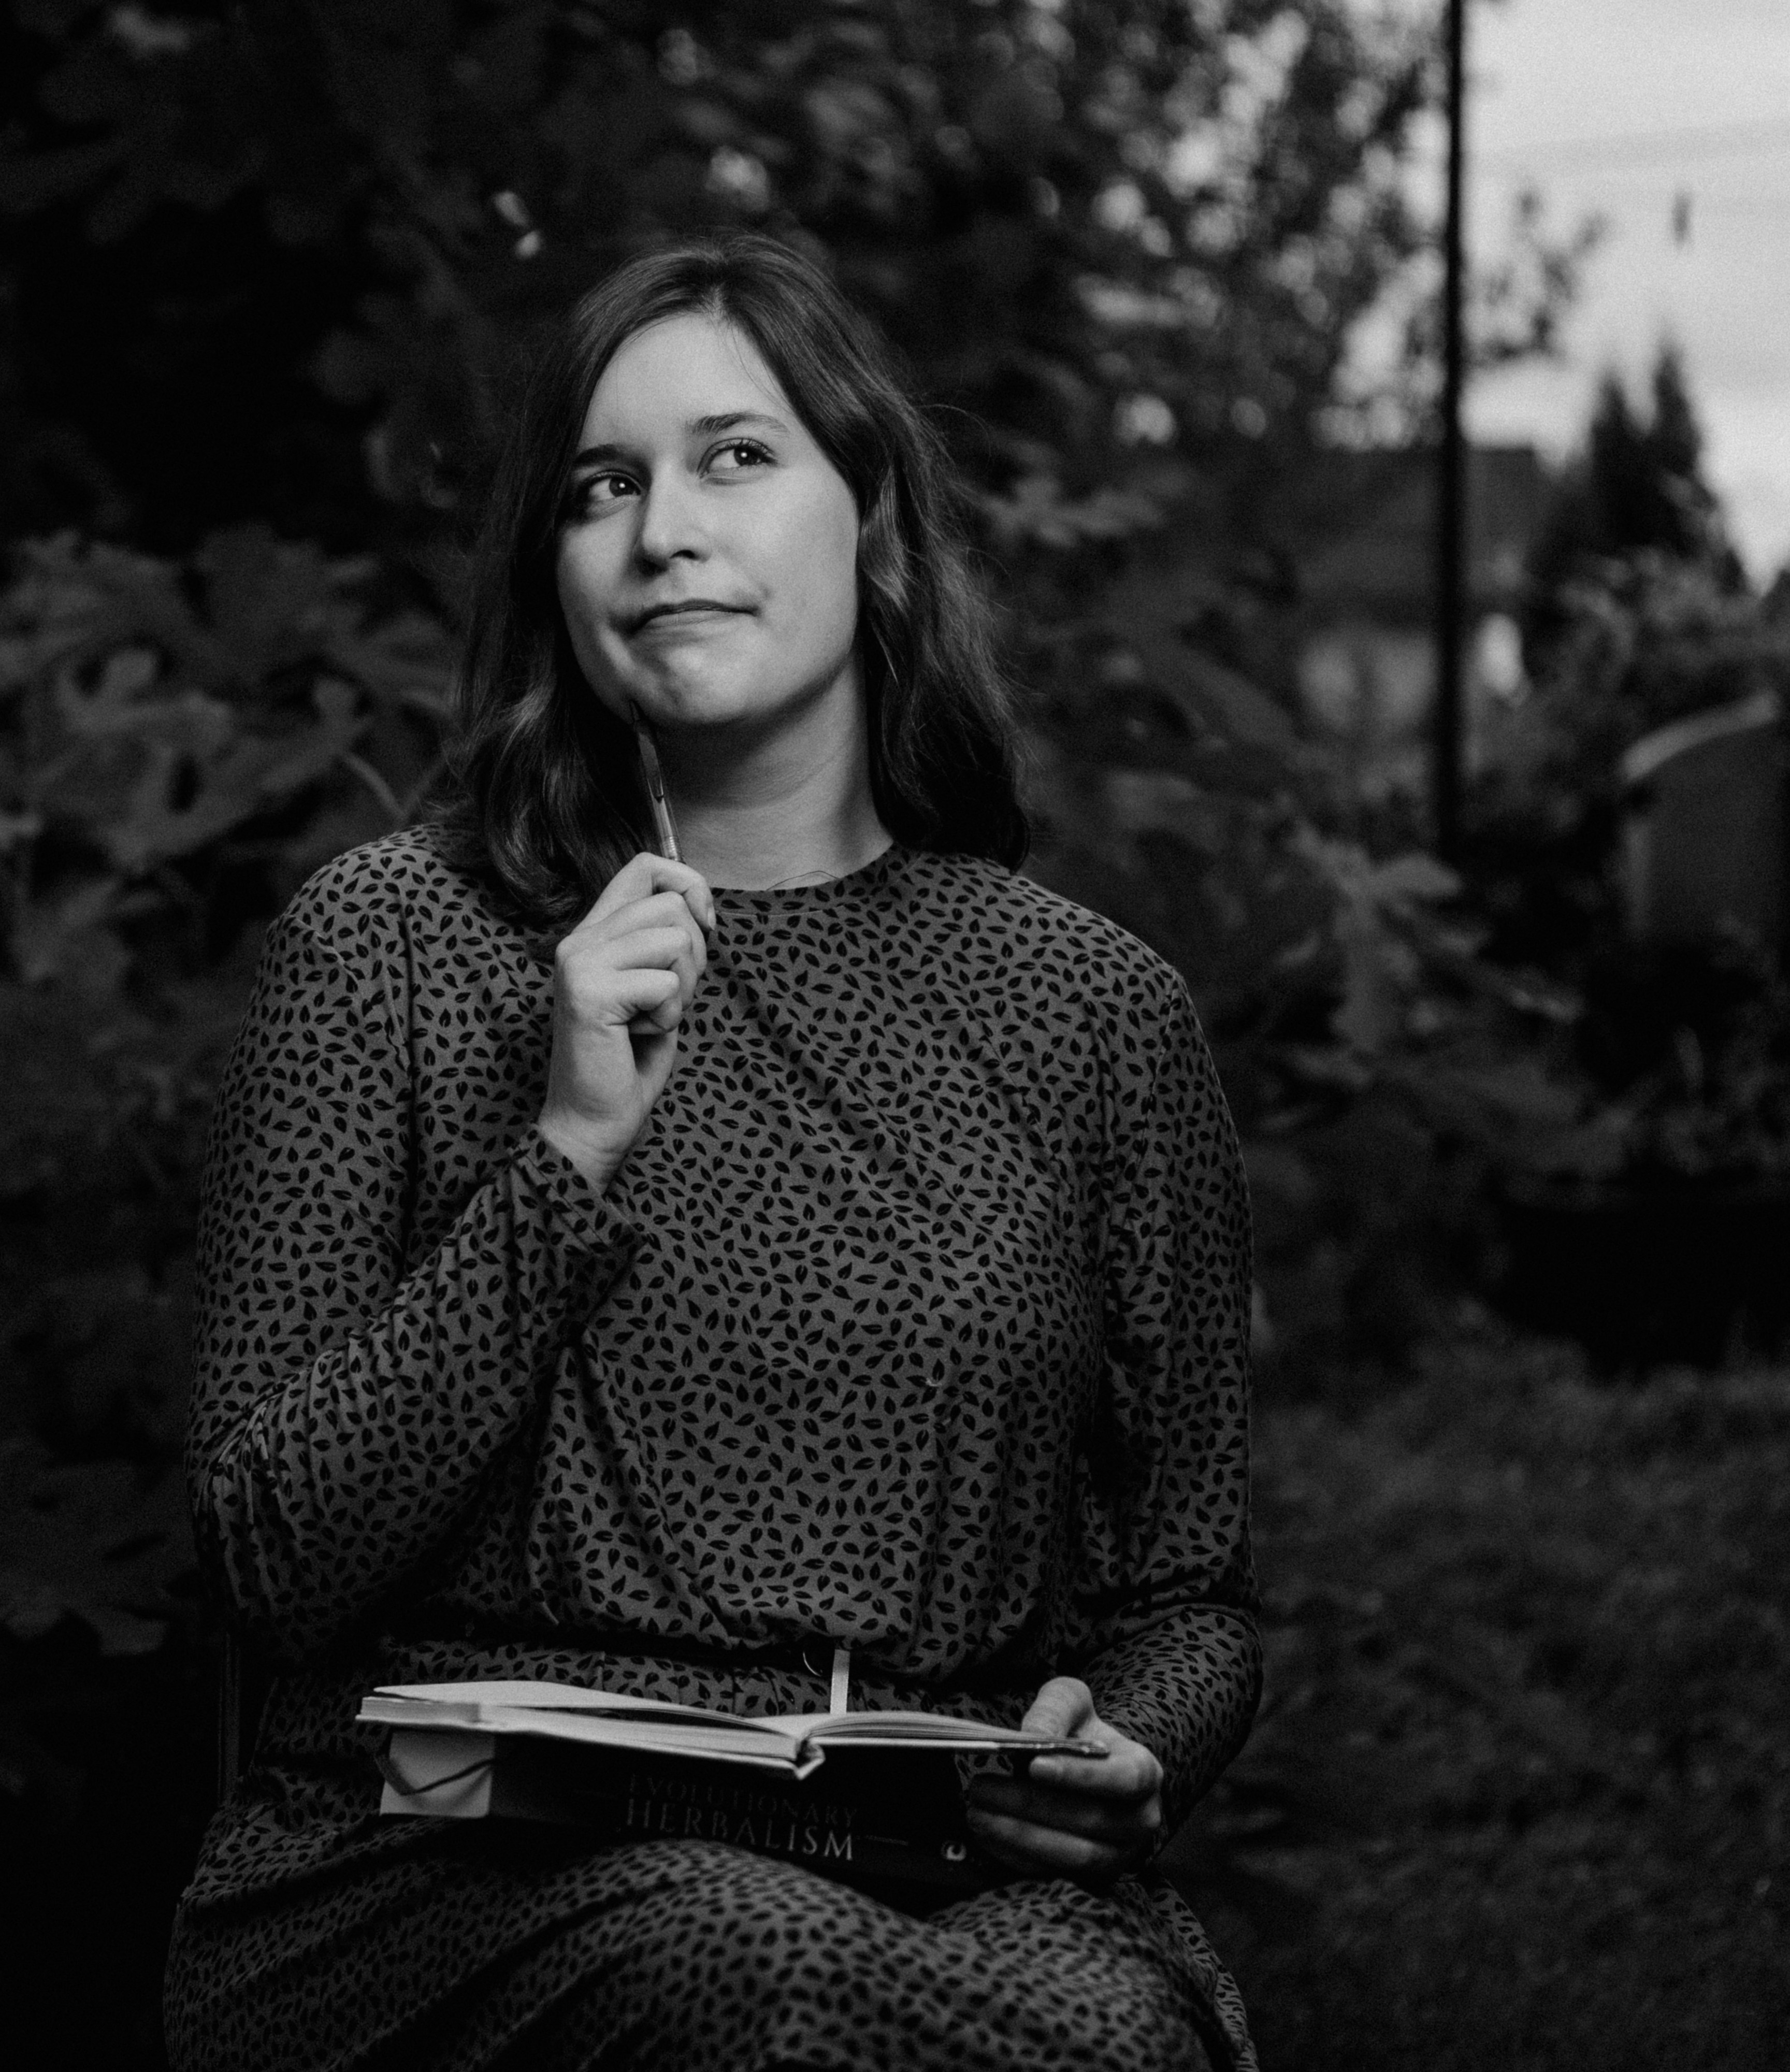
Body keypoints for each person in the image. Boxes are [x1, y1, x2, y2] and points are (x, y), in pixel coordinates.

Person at [163, 233, 1260, 2072]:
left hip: (941, 1871)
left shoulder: (1095, 1015)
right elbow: (272, 1553)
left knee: (1109, 2036)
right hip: (452, 1868)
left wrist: (1133, 1745)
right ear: (557, 568)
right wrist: (569, 1150)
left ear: (875, 524)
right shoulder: (393, 947)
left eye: (736, 457)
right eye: (604, 486)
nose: (664, 530)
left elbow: (1189, 1592)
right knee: (767, 1974)